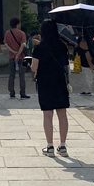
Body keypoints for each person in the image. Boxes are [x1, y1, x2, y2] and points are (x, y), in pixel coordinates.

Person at [31, 19, 70, 157]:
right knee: (62, 114)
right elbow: (66, 65)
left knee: (47, 114)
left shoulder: (39, 48)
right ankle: (63, 145)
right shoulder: (62, 46)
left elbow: (34, 67)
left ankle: (50, 146)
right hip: (60, 82)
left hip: (45, 82)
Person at [4, 17, 30, 99]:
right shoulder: (22, 33)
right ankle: (23, 93)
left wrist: (13, 52)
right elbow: (23, 45)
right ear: (17, 24)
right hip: (22, 57)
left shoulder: (7, 33)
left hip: (11, 56)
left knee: (11, 75)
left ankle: (12, 92)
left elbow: (6, 44)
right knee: (22, 75)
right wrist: (18, 54)